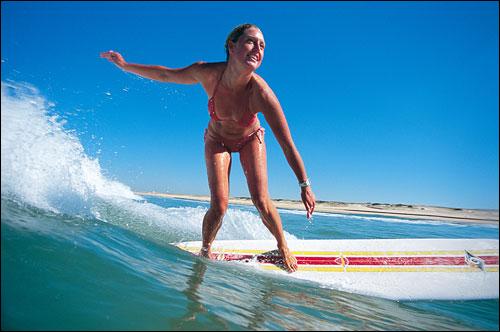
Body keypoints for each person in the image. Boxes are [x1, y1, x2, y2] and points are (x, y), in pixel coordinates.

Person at [100, 23, 316, 272]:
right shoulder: (208, 73)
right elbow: (166, 75)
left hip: (250, 140)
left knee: (260, 199)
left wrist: (304, 185)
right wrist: (125, 66)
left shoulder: (262, 94)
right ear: (232, 46)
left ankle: (282, 246)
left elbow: (287, 144)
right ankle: (205, 250)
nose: (257, 48)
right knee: (219, 204)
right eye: (250, 41)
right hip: (217, 140)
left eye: (262, 45)